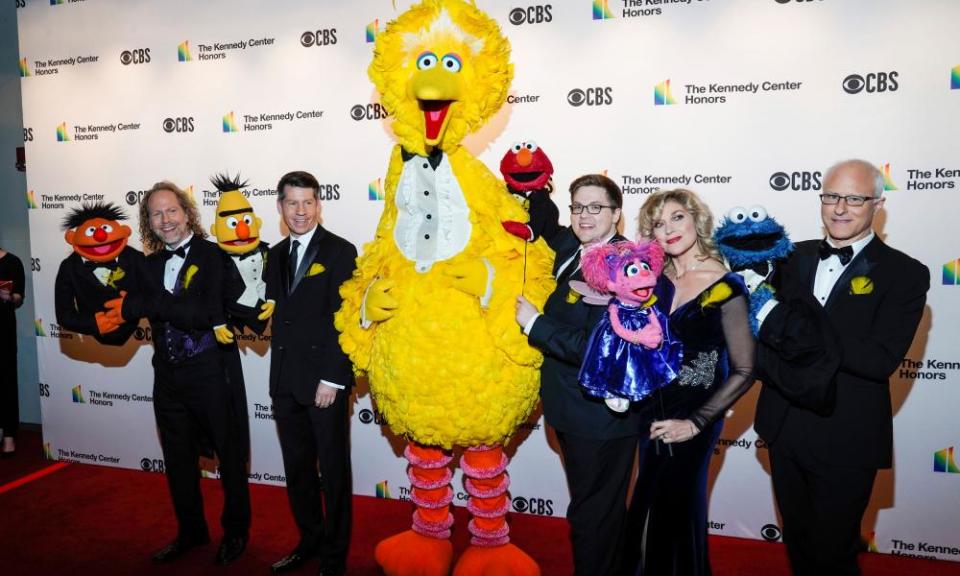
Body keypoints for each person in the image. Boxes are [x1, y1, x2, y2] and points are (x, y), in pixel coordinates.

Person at [754, 159, 929, 576]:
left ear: (877, 204)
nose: (840, 208)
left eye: (854, 198)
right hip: (784, 427)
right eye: (831, 196)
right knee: (797, 543)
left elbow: (879, 359)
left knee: (833, 553)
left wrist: (796, 332)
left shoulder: (905, 273)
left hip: (846, 435)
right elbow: (760, 338)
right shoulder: (789, 259)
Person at [104, 182, 251, 565]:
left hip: (212, 374)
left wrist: (153, 302)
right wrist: (97, 321)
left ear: (187, 213)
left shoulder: (216, 256)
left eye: (172, 211)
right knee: (177, 460)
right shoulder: (145, 267)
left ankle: (236, 532)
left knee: (230, 458)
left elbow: (216, 311)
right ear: (148, 222)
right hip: (167, 378)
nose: (165, 220)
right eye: (156, 213)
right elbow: (127, 314)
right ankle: (191, 531)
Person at [622, 188, 756, 576]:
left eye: (677, 218)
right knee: (646, 509)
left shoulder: (725, 283)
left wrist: (697, 422)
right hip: (651, 414)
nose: (668, 230)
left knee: (673, 513)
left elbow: (746, 368)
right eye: (658, 224)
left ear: (696, 219)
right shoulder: (653, 281)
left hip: (693, 421)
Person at [514, 174, 639, 576]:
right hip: (571, 410)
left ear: (617, 214)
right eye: (578, 207)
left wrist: (536, 325)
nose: (584, 216)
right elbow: (546, 225)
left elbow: (599, 347)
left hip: (600, 418)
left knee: (592, 516)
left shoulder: (625, 265)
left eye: (595, 208)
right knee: (597, 508)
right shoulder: (572, 245)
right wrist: (527, 185)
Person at [266, 171, 357, 576]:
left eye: (307, 203)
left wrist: (334, 379)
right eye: (292, 203)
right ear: (280, 207)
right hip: (285, 381)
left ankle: (335, 558)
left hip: (324, 383)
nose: (300, 212)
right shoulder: (274, 254)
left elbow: (348, 321)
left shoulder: (341, 251)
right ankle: (309, 541)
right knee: (298, 471)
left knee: (333, 473)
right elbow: (270, 311)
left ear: (319, 204)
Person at [0, 247, 25, 457]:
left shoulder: (13, 261)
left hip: (3, 329)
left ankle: (9, 435)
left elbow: (19, 296)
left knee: (7, 379)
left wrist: (10, 296)